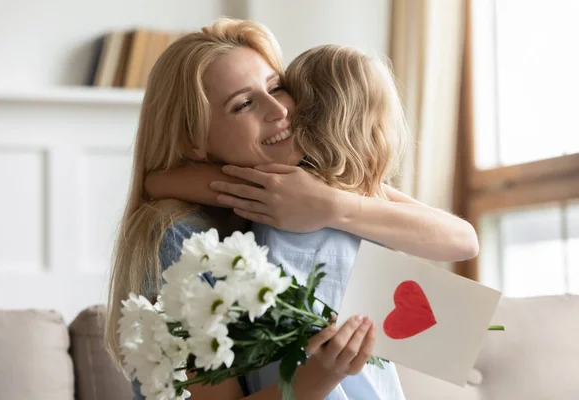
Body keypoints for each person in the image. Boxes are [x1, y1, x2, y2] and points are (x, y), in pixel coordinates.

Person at [106, 18, 479, 400]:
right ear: (194, 137)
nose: (278, 111)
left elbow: (462, 240)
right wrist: (323, 373)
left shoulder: (312, 184)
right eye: (244, 104)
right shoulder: (179, 235)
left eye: (276, 88)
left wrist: (330, 206)